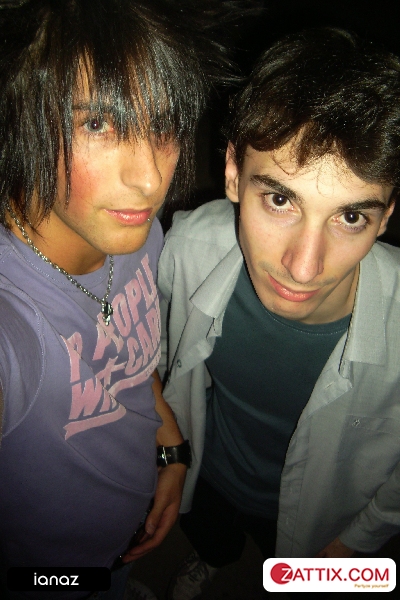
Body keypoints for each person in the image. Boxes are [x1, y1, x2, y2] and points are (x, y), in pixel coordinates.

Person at [0, 1, 233, 598]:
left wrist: (168, 440)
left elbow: (127, 359)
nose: (150, 179)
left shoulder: (136, 231)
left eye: (164, 125)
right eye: (100, 124)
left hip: (124, 535)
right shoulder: (13, 323)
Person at [158, 28, 400, 600]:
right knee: (212, 538)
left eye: (350, 217)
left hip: (322, 519)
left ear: (387, 215)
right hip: (209, 473)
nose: (304, 267)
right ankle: (211, 559)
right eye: (281, 199)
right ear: (233, 174)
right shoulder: (188, 248)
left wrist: (351, 546)